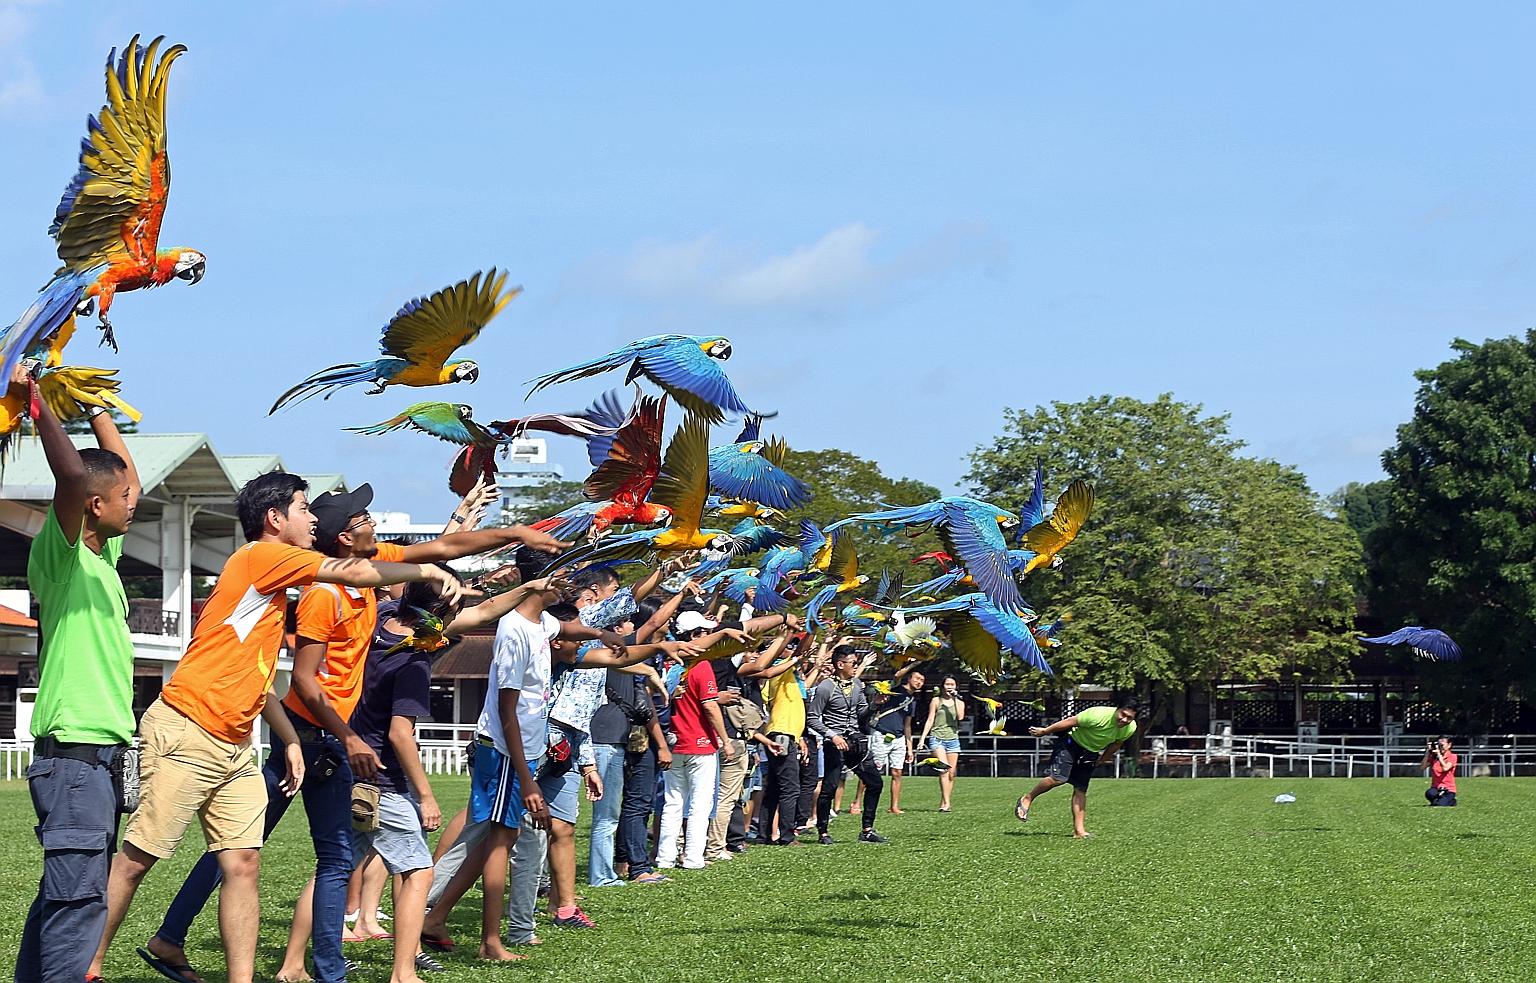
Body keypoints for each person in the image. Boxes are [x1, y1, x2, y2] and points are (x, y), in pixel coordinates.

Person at [87, 471, 461, 983]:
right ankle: (89, 965)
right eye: (304, 508)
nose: (309, 517)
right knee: (138, 858)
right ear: (275, 518)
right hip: (189, 727)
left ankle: (218, 966)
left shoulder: (279, 587)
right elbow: (357, 576)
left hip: (239, 741)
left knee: (242, 862)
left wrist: (287, 740)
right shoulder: (262, 559)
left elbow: (259, 678)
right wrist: (432, 569)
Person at [419, 580, 627, 960]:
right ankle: (489, 942)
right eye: (561, 575)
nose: (569, 583)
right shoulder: (514, 632)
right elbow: (506, 711)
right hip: (502, 752)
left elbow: (565, 629)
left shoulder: (541, 621)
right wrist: (528, 778)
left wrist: (600, 632)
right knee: (498, 842)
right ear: (540, 582)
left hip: (520, 754)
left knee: (496, 842)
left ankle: (437, 918)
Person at [13, 368, 141, 983]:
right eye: (121, 501)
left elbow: (123, 476)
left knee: (63, 897)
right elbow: (72, 475)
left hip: (95, 762)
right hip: (74, 762)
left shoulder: (103, 555)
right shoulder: (62, 557)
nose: (133, 504)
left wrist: (93, 407)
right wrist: (37, 400)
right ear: (96, 506)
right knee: (77, 903)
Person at [655, 611, 740, 870]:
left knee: (673, 802)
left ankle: (665, 857)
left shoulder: (669, 664)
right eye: (704, 632)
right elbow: (711, 707)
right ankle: (693, 857)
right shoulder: (701, 665)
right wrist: (725, 740)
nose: (708, 637)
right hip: (700, 742)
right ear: (693, 636)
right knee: (700, 804)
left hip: (673, 742)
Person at [1015, 697, 1141, 837]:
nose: (1124, 720)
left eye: (1129, 718)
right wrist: (1045, 731)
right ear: (1117, 709)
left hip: (1090, 753)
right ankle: (1027, 798)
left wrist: (1103, 759)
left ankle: (1079, 831)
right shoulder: (1097, 714)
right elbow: (1070, 722)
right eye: (1123, 714)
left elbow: (1116, 744)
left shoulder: (1130, 728)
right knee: (1058, 778)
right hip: (1071, 745)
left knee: (1081, 789)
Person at [807, 646, 887, 844]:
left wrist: (875, 704)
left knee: (875, 782)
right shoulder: (826, 687)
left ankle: (867, 829)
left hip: (855, 742)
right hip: (834, 743)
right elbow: (812, 718)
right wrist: (832, 736)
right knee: (829, 788)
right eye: (853, 663)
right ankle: (823, 832)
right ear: (840, 664)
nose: (856, 666)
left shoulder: (857, 685)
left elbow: (862, 716)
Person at [754, 634, 810, 846]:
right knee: (790, 787)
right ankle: (787, 836)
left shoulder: (783, 673)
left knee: (775, 787)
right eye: (789, 647)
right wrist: (811, 630)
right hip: (782, 733)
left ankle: (764, 834)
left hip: (783, 733)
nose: (794, 650)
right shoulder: (782, 668)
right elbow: (801, 653)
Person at [855, 666, 924, 816]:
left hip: (898, 739)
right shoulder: (896, 689)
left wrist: (909, 748)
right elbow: (897, 675)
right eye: (917, 678)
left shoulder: (912, 701)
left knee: (897, 772)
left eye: (922, 680)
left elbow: (907, 725)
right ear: (910, 678)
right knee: (871, 770)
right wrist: (914, 663)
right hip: (881, 734)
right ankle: (857, 803)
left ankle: (894, 806)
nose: (919, 682)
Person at [918, 676, 966, 812]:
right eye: (947, 684)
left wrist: (955, 698)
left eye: (952, 684)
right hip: (937, 738)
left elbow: (960, 717)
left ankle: (945, 801)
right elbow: (930, 719)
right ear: (942, 686)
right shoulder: (936, 701)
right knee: (943, 769)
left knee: (951, 773)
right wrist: (922, 739)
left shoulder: (960, 702)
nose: (950, 686)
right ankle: (946, 803)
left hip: (953, 739)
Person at [1423, 736, 1458, 806]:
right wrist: (1428, 752)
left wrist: (1439, 756)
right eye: (1439, 745)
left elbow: (1445, 768)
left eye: (1442, 745)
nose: (1440, 747)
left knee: (1440, 804)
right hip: (1436, 788)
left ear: (1449, 745)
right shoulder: (1433, 757)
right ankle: (1438, 800)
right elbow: (1423, 766)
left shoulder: (1453, 756)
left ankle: (1452, 801)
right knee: (1429, 793)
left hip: (1448, 789)